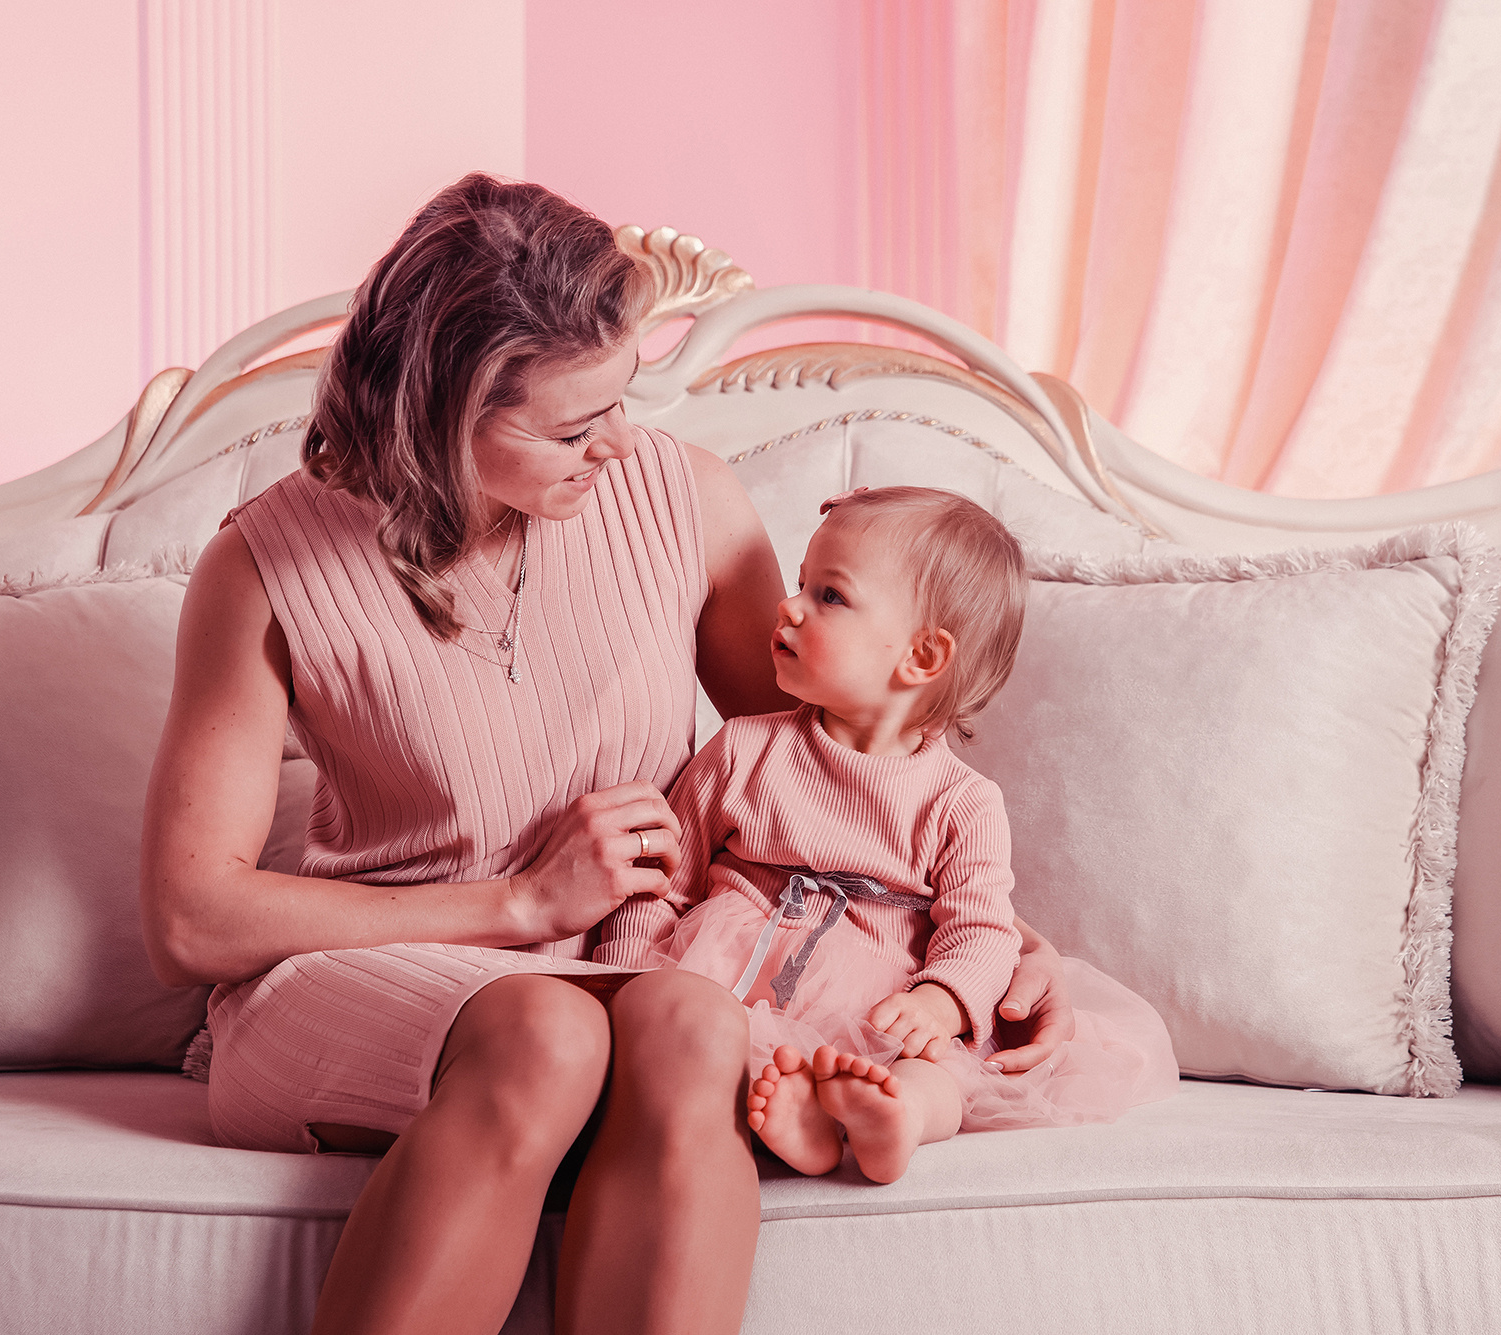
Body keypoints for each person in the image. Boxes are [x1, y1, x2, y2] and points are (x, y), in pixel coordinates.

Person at [138, 174, 1077, 1335]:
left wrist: (1000, 952)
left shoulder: (685, 500)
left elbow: (827, 784)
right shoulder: (262, 568)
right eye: (573, 430)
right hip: (356, 980)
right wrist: (520, 904)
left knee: (691, 1024)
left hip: (638, 973)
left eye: (620, 400)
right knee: (544, 1028)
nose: (619, 445)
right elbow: (190, 920)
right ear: (438, 419)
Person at [596, 486, 1177, 1184]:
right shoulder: (743, 749)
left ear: (922, 656)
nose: (789, 606)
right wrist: (618, 980)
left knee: (940, 1073)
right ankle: (800, 1121)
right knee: (702, 1046)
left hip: (878, 1005)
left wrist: (941, 1001)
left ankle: (895, 1117)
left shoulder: (962, 801)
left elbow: (982, 930)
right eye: (800, 583)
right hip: (732, 979)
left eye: (829, 596)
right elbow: (664, 880)